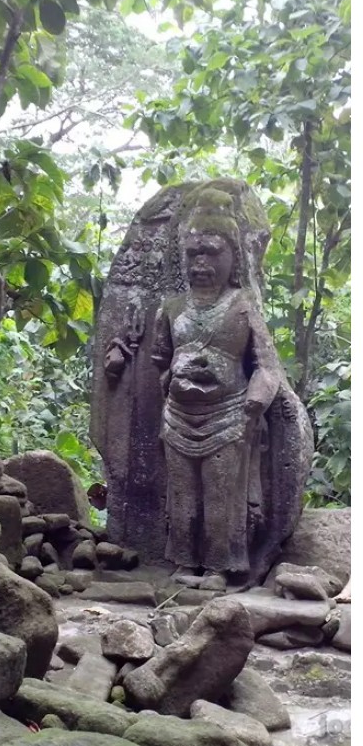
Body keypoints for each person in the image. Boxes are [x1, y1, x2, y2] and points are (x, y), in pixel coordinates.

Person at [150, 189, 284, 587]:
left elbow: (267, 366)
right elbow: (161, 358)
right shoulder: (171, 308)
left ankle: (219, 567)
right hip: (178, 417)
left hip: (228, 418)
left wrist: (255, 401)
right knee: (183, 496)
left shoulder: (243, 306)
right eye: (194, 255)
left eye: (212, 253)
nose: (202, 264)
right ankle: (184, 562)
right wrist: (176, 376)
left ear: (233, 257)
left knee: (220, 496)